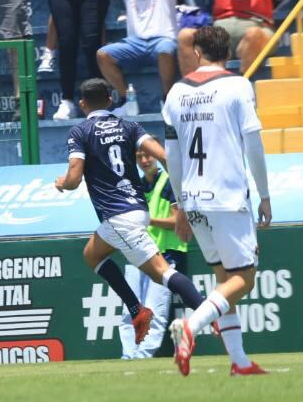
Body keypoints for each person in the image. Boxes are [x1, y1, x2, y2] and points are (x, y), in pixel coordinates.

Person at [55, 78, 207, 346]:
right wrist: (182, 202)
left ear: (81, 104)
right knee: (92, 254)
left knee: (162, 273)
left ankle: (208, 312)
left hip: (117, 217)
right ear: (111, 101)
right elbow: (165, 157)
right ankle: (137, 310)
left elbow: (75, 177)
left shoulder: (79, 132)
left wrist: (62, 183)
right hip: (137, 208)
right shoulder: (129, 126)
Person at [163, 25, 271, 376]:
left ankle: (239, 361)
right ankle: (191, 327)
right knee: (245, 278)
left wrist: (179, 204)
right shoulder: (238, 85)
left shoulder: (176, 92)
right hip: (226, 196)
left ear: (196, 52)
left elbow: (172, 155)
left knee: (225, 279)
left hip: (193, 198)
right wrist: (265, 195)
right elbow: (253, 143)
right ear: (230, 52)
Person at [118, 149, 189, 358]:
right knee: (129, 309)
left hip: (165, 256)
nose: (144, 160)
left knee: (153, 309)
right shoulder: (136, 185)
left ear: (157, 157)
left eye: (147, 155)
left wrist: (146, 220)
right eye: (139, 157)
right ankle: (128, 356)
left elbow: (177, 221)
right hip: (137, 253)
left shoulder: (168, 182)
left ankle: (142, 356)